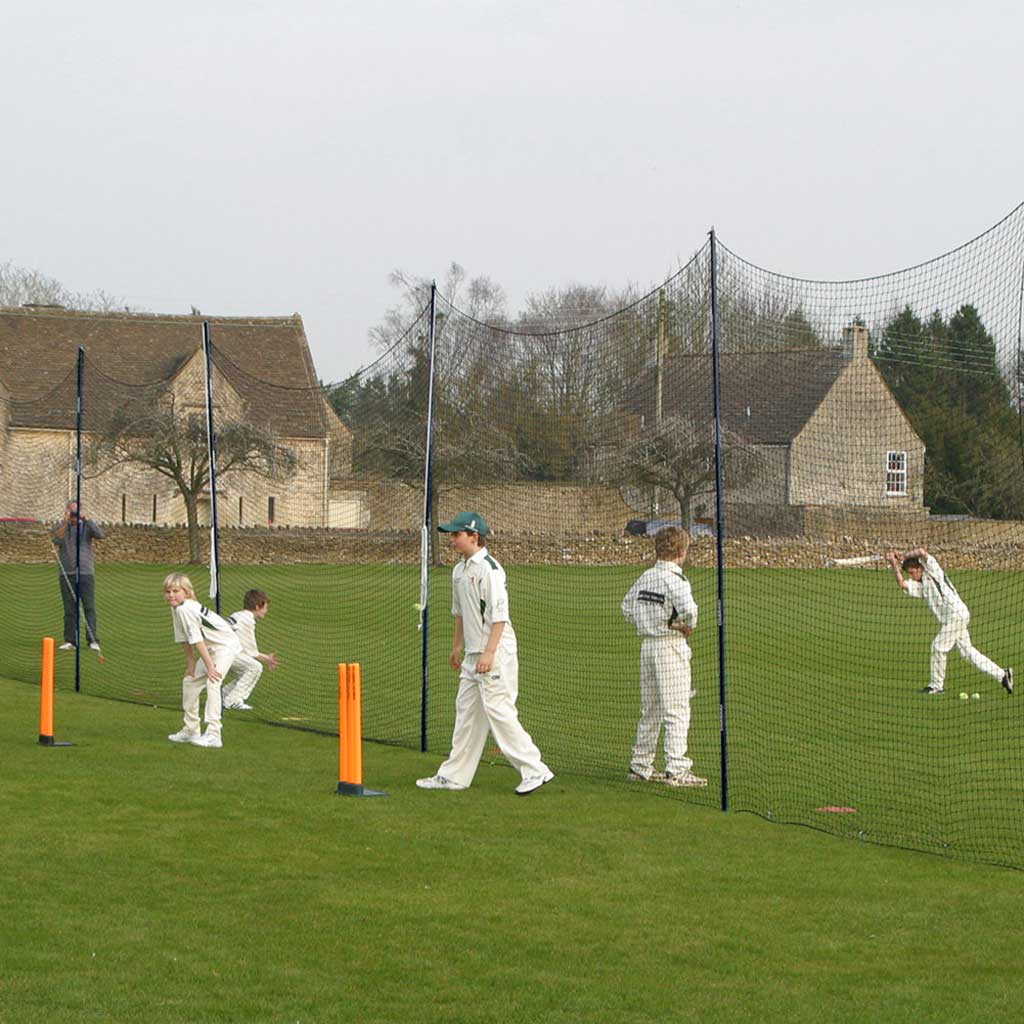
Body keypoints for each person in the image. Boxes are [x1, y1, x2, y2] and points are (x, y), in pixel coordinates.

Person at [416, 511, 554, 796]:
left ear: (474, 536)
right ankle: (454, 776)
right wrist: (457, 646)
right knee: (466, 713)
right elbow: (460, 614)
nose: (452, 540)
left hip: (496, 651)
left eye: (456, 535)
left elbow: (499, 617)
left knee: (499, 711)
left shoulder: (491, 570)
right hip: (472, 654)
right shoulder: (459, 570)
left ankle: (535, 770)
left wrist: (489, 653)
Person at [621, 526, 707, 787]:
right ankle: (677, 768)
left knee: (652, 709)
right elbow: (690, 612)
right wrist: (682, 626)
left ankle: (640, 765)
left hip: (647, 647)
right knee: (677, 708)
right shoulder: (676, 580)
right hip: (669, 646)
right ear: (681, 551)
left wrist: (647, 622)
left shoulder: (646, 577)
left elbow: (626, 607)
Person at [887, 547, 1013, 696]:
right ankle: (1003, 675)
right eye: (910, 574)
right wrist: (894, 564)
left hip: (956, 615)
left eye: (913, 572)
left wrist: (902, 556)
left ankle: (936, 686)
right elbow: (903, 584)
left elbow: (922, 551)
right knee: (968, 653)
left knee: (938, 647)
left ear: (920, 567)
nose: (912, 576)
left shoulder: (933, 570)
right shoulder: (922, 587)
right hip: (953, 620)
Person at [164, 572, 243, 748]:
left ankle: (214, 734)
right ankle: (191, 730)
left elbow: (197, 639)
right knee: (189, 682)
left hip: (225, 646)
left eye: (176, 591)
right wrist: (191, 664)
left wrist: (210, 667)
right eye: (168, 591)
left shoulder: (186, 608)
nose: (171, 595)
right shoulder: (176, 607)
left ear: (186, 592)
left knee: (213, 681)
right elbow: (183, 637)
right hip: (211, 648)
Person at [53, 500, 104, 651]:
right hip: (67, 573)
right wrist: (66, 521)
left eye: (76, 512)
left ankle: (93, 640)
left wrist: (86, 518)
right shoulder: (62, 526)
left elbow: (101, 535)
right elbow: (56, 539)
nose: (74, 516)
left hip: (85, 572)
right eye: (72, 511)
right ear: (67, 511)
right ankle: (70, 640)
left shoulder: (87, 526)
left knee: (89, 607)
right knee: (70, 609)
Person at [222, 589, 280, 710]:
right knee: (255, 667)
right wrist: (267, 658)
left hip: (220, 652)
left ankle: (225, 694)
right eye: (265, 607)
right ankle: (232, 700)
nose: (266, 611)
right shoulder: (248, 620)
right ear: (258, 607)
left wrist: (265, 657)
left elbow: (244, 648)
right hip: (225, 654)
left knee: (247, 668)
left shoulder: (237, 614)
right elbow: (251, 652)